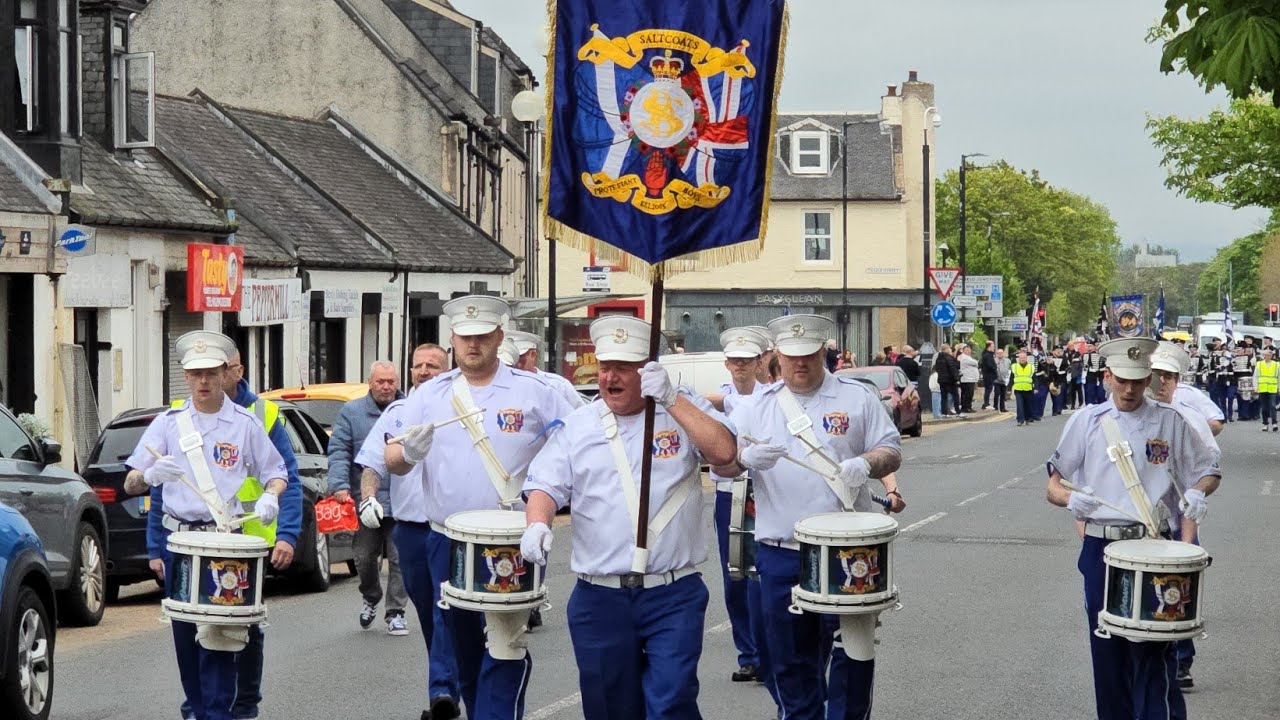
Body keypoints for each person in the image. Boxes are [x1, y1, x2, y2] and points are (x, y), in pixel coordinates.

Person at [520, 315, 736, 719]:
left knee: (671, 702)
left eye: (623, 368)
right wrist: (537, 522)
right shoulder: (577, 425)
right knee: (609, 708)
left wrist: (672, 400)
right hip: (600, 596)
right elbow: (545, 485)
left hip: (672, 592)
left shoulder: (682, 409)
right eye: (605, 367)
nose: (610, 378)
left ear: (647, 370)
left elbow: (725, 454)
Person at [386, 295, 575, 720]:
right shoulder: (429, 394)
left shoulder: (534, 392)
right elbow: (392, 460)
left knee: (506, 641)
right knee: (462, 643)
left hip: (511, 537)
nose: (474, 345)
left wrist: (549, 496)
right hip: (446, 537)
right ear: (452, 339)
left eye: (483, 337)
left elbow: (573, 443)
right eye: (465, 337)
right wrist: (409, 455)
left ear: (499, 337)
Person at [712, 313, 904, 720]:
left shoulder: (856, 397)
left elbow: (891, 450)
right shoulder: (756, 408)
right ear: (777, 356)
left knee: (853, 650)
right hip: (782, 549)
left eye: (809, 356)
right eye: (791, 356)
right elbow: (722, 464)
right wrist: (743, 458)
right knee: (790, 660)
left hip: (848, 548)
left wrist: (865, 463)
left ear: (823, 352)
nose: (800, 364)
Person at [1045, 338, 1221, 720]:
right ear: (1107, 376)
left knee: (1154, 653)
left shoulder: (1170, 421)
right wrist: (1070, 501)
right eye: (1122, 380)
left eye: (1138, 381)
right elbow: (1054, 484)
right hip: (1102, 549)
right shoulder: (1087, 422)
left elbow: (1208, 470)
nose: (1129, 389)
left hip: (1155, 547)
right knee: (1108, 657)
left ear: (1148, 379)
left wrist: (1196, 491)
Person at [123, 331, 288, 720]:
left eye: (211, 373)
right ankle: (199, 710)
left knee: (219, 635)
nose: (202, 382)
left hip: (223, 541)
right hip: (178, 541)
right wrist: (148, 476)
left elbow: (276, 471)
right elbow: (129, 481)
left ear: (225, 373)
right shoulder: (169, 424)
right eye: (195, 374)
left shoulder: (245, 424)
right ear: (186, 376)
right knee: (185, 638)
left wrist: (271, 496)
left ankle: (215, 713)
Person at [356, 345, 462, 720]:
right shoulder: (398, 413)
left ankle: (442, 692)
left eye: (432, 365)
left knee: (445, 608)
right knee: (430, 614)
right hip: (411, 532)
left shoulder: (460, 409)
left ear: (446, 369)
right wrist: (368, 497)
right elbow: (371, 462)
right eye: (417, 366)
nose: (423, 371)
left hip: (453, 531)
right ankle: (452, 680)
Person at [703, 327, 776, 692]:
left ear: (762, 361)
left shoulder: (775, 397)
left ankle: (768, 652)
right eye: (735, 361)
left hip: (763, 492)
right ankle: (748, 655)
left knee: (762, 573)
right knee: (735, 576)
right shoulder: (718, 399)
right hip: (728, 492)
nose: (741, 368)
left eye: (748, 361)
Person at [329, 361, 409, 635]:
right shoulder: (352, 412)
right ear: (370, 382)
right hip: (366, 502)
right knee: (363, 557)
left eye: (391, 381)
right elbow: (339, 450)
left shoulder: (409, 411)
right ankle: (371, 596)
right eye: (380, 382)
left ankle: (395, 612)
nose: (386, 387)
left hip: (402, 501)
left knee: (400, 559)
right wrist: (339, 484)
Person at [506, 329, 587, 410]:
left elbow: (582, 415)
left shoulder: (557, 385)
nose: (514, 363)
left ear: (533, 355)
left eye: (519, 357)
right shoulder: (499, 383)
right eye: (509, 357)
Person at [935, 344, 962, 417]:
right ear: (946, 349)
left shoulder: (938, 358)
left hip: (941, 380)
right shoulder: (949, 358)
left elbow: (937, 369)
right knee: (955, 396)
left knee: (944, 397)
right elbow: (953, 368)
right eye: (949, 349)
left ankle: (944, 413)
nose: (950, 350)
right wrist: (957, 379)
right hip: (950, 380)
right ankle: (958, 412)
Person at [1256, 347, 1278, 431]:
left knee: (1273, 406)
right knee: (1264, 408)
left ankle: (1274, 423)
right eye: (1265, 355)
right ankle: (1265, 423)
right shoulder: (1259, 364)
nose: (1267, 357)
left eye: (1269, 355)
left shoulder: (1276, 364)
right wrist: (1255, 387)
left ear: (1271, 356)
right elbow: (1256, 376)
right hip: (1262, 388)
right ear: (1263, 356)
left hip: (1273, 388)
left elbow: (1279, 377)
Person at [1011, 350, 1035, 426]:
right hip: (1018, 389)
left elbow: (1035, 378)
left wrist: (1036, 387)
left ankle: (1027, 418)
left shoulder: (1031, 367)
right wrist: (1008, 389)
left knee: (1028, 405)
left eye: (1024, 358)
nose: (1022, 359)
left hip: (1028, 389)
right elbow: (1011, 378)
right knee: (1019, 405)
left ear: (1026, 358)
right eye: (1021, 358)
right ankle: (1020, 420)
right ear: (1018, 358)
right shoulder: (1014, 366)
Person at [958, 344, 979, 414]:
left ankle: (968, 407)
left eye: (969, 350)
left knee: (969, 394)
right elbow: (975, 363)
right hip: (967, 379)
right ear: (963, 351)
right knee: (967, 394)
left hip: (970, 379)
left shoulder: (968, 357)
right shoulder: (964, 358)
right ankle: (966, 407)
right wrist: (976, 362)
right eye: (967, 350)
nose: (969, 351)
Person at [993, 348, 1010, 413]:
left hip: (1004, 380)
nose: (1000, 354)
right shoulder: (994, 360)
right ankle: (995, 407)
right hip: (996, 380)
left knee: (1003, 395)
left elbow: (1009, 369)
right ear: (996, 354)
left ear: (1003, 353)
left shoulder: (1007, 360)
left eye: (1001, 353)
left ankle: (1002, 408)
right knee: (997, 393)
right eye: (998, 353)